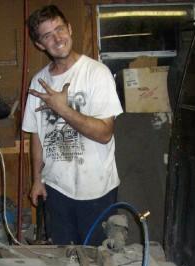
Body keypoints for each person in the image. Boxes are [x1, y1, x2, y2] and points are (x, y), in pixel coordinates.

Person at [22, 5, 123, 245]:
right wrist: (37, 179)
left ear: (69, 28)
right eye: (47, 35)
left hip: (97, 190)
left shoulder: (96, 73)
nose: (57, 39)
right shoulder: (38, 82)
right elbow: (36, 135)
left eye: (59, 29)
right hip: (57, 189)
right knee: (63, 258)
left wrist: (63, 109)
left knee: (98, 259)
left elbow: (105, 134)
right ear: (39, 45)